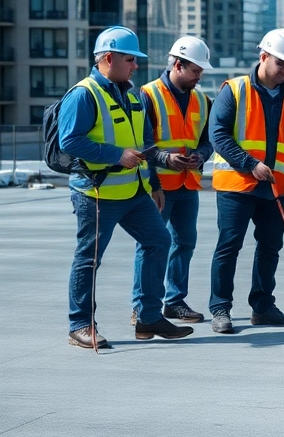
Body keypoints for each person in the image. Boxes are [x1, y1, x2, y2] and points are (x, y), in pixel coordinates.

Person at [60, 26, 195, 349]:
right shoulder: (84, 94)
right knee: (89, 258)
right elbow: (70, 141)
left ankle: (148, 317)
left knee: (158, 241)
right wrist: (116, 155)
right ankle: (80, 325)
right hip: (96, 193)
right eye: (130, 60)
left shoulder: (131, 94)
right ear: (108, 58)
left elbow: (145, 143)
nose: (136, 66)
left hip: (134, 192)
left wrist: (153, 182)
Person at [206, 29, 284, 334]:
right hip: (236, 185)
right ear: (263, 56)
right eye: (280, 62)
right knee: (229, 246)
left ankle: (263, 306)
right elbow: (217, 134)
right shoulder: (235, 90)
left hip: (277, 189)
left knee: (271, 247)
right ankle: (220, 308)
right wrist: (248, 164)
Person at [129, 36, 215, 325]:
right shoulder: (148, 95)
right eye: (195, 71)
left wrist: (201, 155)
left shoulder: (203, 100)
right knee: (150, 245)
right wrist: (165, 161)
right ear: (178, 65)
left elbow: (208, 140)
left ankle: (174, 302)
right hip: (157, 186)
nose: (199, 76)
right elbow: (142, 141)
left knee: (185, 243)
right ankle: (141, 306)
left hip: (188, 185)